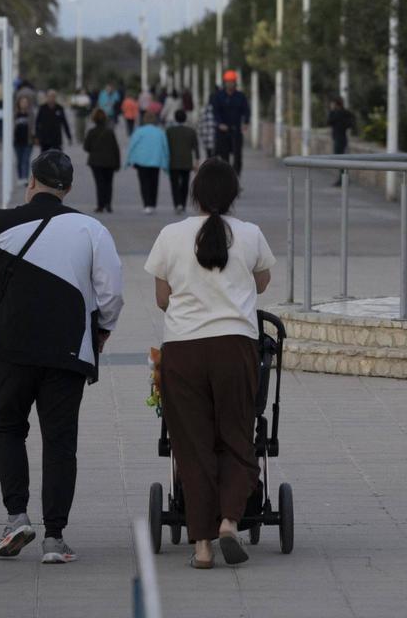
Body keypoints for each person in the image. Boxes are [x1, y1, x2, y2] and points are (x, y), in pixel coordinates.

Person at [0, 150, 124, 565]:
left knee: (8, 428)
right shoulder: (92, 229)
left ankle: (16, 516)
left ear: (31, 180)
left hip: (11, 347)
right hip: (67, 350)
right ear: (69, 187)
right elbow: (111, 292)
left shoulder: (4, 221)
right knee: (60, 441)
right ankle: (55, 538)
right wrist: (102, 329)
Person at [145, 158, 275, 568]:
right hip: (235, 349)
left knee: (192, 446)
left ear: (194, 193)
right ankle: (229, 522)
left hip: (183, 351)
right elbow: (261, 283)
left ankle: (201, 545)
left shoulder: (171, 235)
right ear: (233, 196)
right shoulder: (251, 234)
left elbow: (162, 299)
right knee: (238, 437)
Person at [126, 113, 171, 214]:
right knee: (154, 183)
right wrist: (166, 162)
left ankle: (147, 204)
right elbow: (165, 148)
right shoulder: (160, 132)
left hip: (141, 161)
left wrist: (128, 161)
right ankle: (153, 204)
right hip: (156, 161)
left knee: (144, 183)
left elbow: (132, 146)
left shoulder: (139, 131)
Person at [210, 71, 250, 174]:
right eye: (228, 82)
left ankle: (236, 178)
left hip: (235, 130)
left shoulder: (240, 96)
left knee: (237, 157)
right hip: (222, 132)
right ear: (225, 82)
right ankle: (226, 179)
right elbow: (215, 112)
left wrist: (246, 122)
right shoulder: (218, 96)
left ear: (235, 82)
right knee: (224, 157)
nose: (230, 84)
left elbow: (246, 110)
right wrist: (219, 124)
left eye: (232, 82)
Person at [83, 108, 120, 213]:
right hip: (110, 162)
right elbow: (115, 148)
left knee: (99, 184)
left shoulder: (91, 132)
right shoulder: (110, 132)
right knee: (109, 183)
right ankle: (108, 204)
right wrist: (118, 163)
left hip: (96, 162)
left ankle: (100, 205)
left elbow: (86, 147)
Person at [165, 109, 201, 214]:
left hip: (173, 162)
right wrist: (197, 162)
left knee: (174, 184)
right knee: (185, 183)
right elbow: (196, 148)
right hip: (187, 162)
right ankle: (183, 204)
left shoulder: (169, 131)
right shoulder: (191, 131)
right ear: (185, 118)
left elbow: (165, 147)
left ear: (175, 118)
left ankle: (177, 204)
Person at [326, 95, 356, 186]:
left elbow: (329, 121)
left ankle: (342, 179)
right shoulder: (344, 113)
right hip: (340, 138)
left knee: (340, 159)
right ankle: (343, 178)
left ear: (336, 104)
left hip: (340, 139)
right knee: (341, 159)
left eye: (332, 103)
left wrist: (332, 111)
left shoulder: (337, 113)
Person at [13, 93, 34, 183]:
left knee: (26, 160)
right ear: (19, 103)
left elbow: (34, 126)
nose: (24, 104)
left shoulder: (31, 115)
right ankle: (20, 177)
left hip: (28, 141)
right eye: (22, 102)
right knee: (19, 160)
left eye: (26, 102)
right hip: (17, 141)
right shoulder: (15, 114)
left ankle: (25, 178)